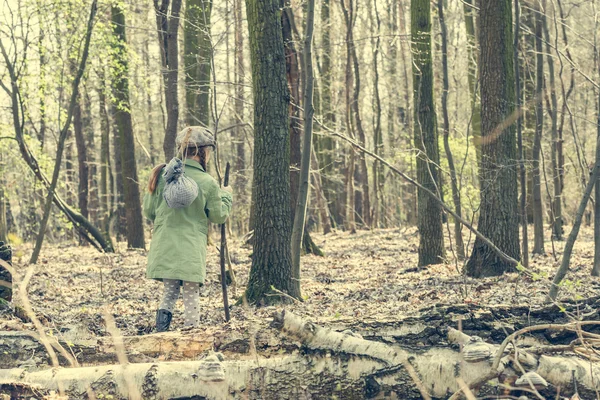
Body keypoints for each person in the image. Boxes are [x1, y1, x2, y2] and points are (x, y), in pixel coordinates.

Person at [143, 126, 233, 332]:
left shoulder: (163, 176)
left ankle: (161, 333)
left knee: (170, 291)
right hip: (191, 248)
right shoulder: (208, 182)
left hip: (165, 246)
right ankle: (192, 333)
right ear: (203, 152)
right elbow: (219, 216)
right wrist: (226, 194)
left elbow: (149, 212)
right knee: (191, 293)